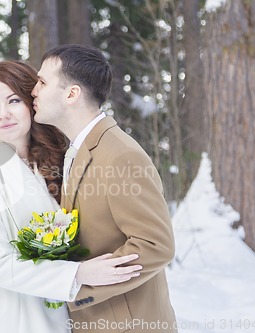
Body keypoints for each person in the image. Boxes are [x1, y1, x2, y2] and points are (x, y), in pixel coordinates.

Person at [0, 60, 142, 333]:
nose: (2, 114)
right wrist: (78, 273)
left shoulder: (62, 159)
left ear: (32, 103)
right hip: (13, 314)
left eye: (13, 101)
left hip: (68, 313)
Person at [31, 44, 177, 332]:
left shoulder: (120, 154)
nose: (34, 91)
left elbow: (155, 245)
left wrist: (77, 285)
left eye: (42, 82)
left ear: (71, 94)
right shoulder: (78, 149)